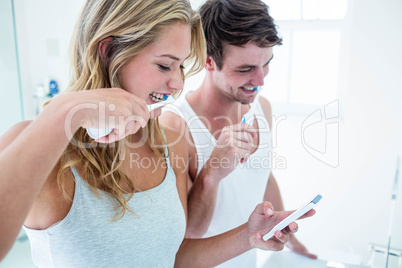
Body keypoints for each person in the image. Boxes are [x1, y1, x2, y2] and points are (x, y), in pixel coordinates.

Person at [0, 0, 316, 266]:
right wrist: (66, 111)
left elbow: (172, 256)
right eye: (165, 66)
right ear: (109, 52)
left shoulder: (165, 144)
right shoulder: (40, 146)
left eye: (180, 67)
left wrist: (250, 236)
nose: (178, 83)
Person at [160, 0, 318, 267]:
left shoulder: (261, 108)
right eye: (245, 70)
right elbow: (187, 235)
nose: (260, 81)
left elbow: (262, 175)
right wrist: (211, 173)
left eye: (266, 63)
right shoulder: (176, 126)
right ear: (209, 61)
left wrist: (291, 240)